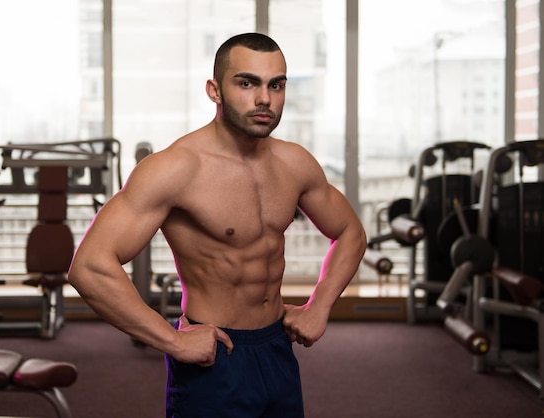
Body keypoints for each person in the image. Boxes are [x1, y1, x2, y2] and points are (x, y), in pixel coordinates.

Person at [68, 32, 366, 418]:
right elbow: (90, 266)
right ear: (215, 90)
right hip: (215, 354)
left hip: (277, 347)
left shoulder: (295, 164)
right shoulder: (176, 168)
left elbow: (350, 232)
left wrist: (319, 306)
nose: (264, 99)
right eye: (247, 83)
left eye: (276, 85)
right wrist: (172, 340)